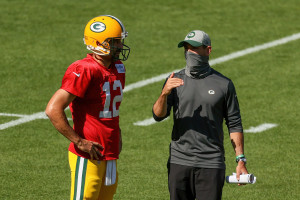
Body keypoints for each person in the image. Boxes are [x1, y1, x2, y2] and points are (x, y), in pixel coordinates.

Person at [152, 30, 248, 200]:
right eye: (186, 48)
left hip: (211, 162)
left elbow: (234, 123)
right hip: (179, 160)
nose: (189, 52)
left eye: (194, 48)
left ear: (208, 50)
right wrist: (164, 94)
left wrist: (240, 160)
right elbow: (158, 115)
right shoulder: (174, 79)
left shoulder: (223, 84)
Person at [45, 15, 130, 200]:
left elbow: (108, 110)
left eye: (120, 42)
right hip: (88, 154)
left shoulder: (118, 67)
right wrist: (80, 141)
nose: (120, 47)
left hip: (110, 152)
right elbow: (53, 109)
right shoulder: (84, 69)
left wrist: (118, 134)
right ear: (98, 43)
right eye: (115, 42)